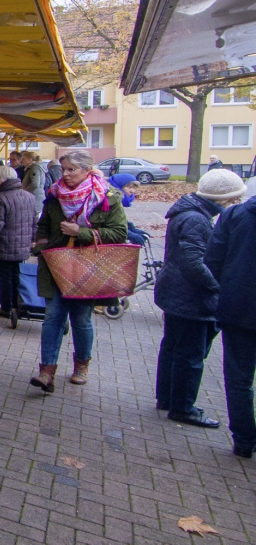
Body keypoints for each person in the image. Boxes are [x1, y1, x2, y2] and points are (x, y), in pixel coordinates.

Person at [29, 150, 128, 392]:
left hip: (88, 268)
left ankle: (81, 365)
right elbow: (43, 224)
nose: (66, 174)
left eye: (71, 169)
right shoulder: (54, 195)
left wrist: (80, 232)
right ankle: (46, 371)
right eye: (63, 169)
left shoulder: (108, 196)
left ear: (87, 170)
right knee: (52, 317)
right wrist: (41, 243)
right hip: (56, 265)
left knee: (81, 320)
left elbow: (119, 233)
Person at [154, 170, 246, 428]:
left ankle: (167, 398)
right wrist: (218, 288)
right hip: (191, 298)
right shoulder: (196, 218)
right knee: (191, 355)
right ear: (223, 198)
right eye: (234, 199)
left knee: (173, 347)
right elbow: (194, 262)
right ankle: (183, 408)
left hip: (177, 292)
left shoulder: (189, 212)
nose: (236, 204)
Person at [204, 170, 256, 457]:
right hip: (239, 307)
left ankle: (244, 441)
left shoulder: (234, 216)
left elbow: (212, 260)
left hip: (239, 307)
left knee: (239, 377)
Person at [0, 165, 36, 319]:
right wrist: (34, 240)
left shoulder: (0, 197)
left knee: (4, 277)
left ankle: (6, 307)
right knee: (17, 276)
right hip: (22, 244)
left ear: (2, 180)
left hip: (4, 244)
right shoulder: (29, 196)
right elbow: (34, 221)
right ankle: (19, 305)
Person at [107, 173, 147, 244]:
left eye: (134, 188)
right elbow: (110, 223)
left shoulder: (118, 200)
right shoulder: (109, 200)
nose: (132, 191)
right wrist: (130, 234)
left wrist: (132, 229)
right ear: (118, 187)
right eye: (129, 187)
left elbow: (119, 219)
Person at [19, 151, 46, 216]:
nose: (22, 161)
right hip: (36, 196)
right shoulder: (35, 167)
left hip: (34, 197)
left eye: (23, 159)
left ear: (30, 159)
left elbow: (35, 184)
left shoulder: (34, 168)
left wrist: (24, 192)